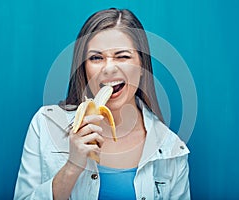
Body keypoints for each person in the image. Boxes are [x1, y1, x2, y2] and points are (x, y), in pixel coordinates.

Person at [14, 8, 190, 200]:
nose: (108, 68)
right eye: (96, 58)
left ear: (142, 67)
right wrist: (73, 166)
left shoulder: (171, 148)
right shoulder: (45, 124)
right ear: (83, 68)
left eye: (122, 56)